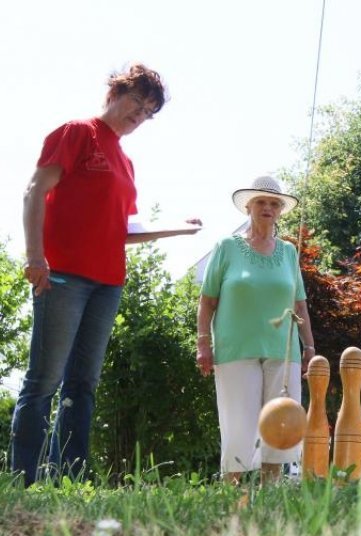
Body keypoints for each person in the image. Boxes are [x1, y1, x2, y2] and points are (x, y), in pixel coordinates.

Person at [11, 63, 201, 487]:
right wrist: (35, 257)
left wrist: (179, 227)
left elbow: (121, 231)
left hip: (107, 283)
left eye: (149, 111)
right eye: (137, 101)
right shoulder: (77, 132)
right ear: (115, 92)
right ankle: (22, 479)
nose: (140, 115)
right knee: (44, 379)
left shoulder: (126, 162)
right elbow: (34, 191)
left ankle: (72, 478)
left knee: (83, 384)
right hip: (62, 275)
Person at [197, 175, 315, 483]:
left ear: (280, 211)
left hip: (284, 349)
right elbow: (207, 301)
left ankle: (270, 489)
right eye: (261, 202)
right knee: (239, 422)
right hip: (236, 348)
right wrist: (203, 345)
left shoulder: (289, 252)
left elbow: (300, 305)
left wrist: (310, 349)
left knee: (281, 423)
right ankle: (231, 487)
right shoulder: (226, 247)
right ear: (248, 207)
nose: (267, 207)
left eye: (274, 203)